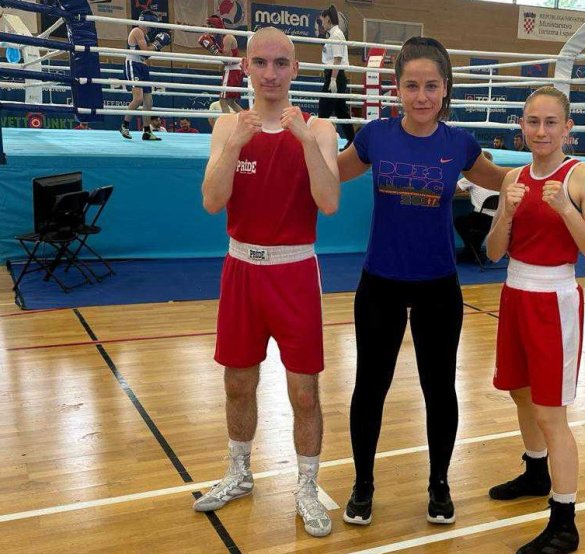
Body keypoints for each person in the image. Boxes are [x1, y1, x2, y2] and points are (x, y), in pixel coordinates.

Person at [336, 36, 508, 526]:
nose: (421, 96)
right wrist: (295, 149)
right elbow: (329, 173)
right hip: (381, 283)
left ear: (446, 88)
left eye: (431, 86)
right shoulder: (375, 136)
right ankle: (363, 484)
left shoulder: (459, 144)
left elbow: (504, 180)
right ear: (397, 88)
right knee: (370, 387)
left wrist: (556, 170)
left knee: (440, 388)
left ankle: (439, 483)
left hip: (438, 286)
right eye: (412, 86)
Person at [195, 26, 340, 539]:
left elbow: (329, 202)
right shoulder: (227, 126)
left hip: (294, 270)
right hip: (241, 269)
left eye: (281, 63)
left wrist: (305, 142)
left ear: (295, 69)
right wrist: (235, 144)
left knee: (304, 392)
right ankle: (238, 472)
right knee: (237, 382)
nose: (271, 73)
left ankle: (307, 486)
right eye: (261, 63)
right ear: (246, 67)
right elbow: (212, 201)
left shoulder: (320, 129)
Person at [485, 86, 585, 554]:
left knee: (551, 413)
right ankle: (536, 471)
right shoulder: (513, 177)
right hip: (514, 293)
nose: (541, 131)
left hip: (554, 300)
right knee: (519, 392)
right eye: (533, 122)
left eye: (550, 122)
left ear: (567, 128)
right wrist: (507, 211)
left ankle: (564, 523)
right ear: (522, 125)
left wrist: (566, 211)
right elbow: (493, 252)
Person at [120, 10, 171, 141]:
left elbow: (146, 56)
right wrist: (157, 44)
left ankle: (147, 131)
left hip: (142, 66)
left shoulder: (145, 35)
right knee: (138, 99)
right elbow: (145, 52)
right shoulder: (137, 31)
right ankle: (124, 125)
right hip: (133, 64)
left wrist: (156, 46)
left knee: (148, 101)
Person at [318, 5, 355, 151]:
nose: (322, 24)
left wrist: (333, 80)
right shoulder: (333, 35)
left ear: (328, 19)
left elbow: (337, 59)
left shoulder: (336, 35)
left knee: (323, 109)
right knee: (341, 111)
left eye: (322, 21)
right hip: (335, 75)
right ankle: (353, 141)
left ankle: (317, 141)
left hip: (335, 76)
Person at [454, 150, 499, 262]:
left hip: (482, 219)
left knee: (460, 221)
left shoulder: (473, 177)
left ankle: (470, 250)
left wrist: (467, 189)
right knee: (476, 224)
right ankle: (473, 251)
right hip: (498, 219)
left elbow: (453, 189)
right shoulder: (499, 178)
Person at [199, 14, 243, 114]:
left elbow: (227, 60)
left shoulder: (227, 38)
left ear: (216, 26)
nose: (209, 29)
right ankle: (246, 120)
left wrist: (212, 49)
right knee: (231, 102)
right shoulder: (220, 38)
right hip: (234, 70)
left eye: (211, 26)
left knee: (223, 101)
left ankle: (228, 122)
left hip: (232, 70)